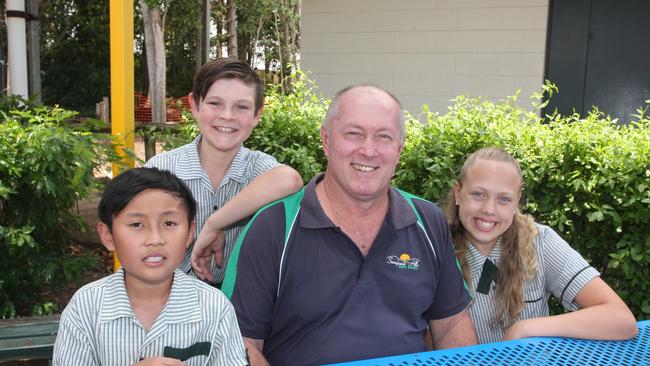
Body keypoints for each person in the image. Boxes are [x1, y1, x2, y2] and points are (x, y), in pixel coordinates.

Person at [223, 85, 478, 366]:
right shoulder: (272, 227)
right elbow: (240, 342)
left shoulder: (427, 221)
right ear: (326, 140)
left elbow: (452, 323)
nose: (368, 150)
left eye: (384, 137)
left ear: (398, 149)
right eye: (353, 134)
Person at [53, 167, 247, 365]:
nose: (155, 240)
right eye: (136, 225)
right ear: (108, 236)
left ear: (190, 232)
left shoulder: (215, 307)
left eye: (169, 223)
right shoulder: (86, 307)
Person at [446, 147, 638, 344]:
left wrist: (526, 328)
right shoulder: (435, 246)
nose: (488, 209)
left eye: (504, 199)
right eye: (478, 194)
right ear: (458, 193)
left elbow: (621, 319)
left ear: (517, 201)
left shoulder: (540, 241)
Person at [145, 58, 303, 286]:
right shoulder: (161, 170)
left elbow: (290, 179)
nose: (227, 116)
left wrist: (215, 223)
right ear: (195, 105)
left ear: (257, 114)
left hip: (234, 300)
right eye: (215, 103)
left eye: (241, 107)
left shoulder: (256, 168)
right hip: (168, 294)